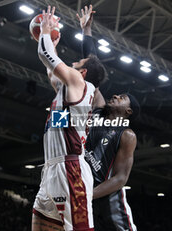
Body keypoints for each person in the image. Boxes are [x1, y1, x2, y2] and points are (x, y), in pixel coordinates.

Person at [32, 5, 106, 231]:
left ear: (82, 73)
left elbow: (44, 56)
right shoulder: (70, 90)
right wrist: (52, 45)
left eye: (79, 63)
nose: (74, 62)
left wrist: (45, 31)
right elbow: (51, 71)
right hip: (52, 169)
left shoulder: (78, 82)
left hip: (71, 169)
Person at [77, 5, 139, 231]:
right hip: (84, 193)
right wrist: (86, 31)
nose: (115, 95)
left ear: (128, 111)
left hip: (108, 198)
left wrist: (88, 195)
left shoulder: (127, 134)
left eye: (122, 97)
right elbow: (92, 68)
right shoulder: (99, 108)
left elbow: (120, 179)